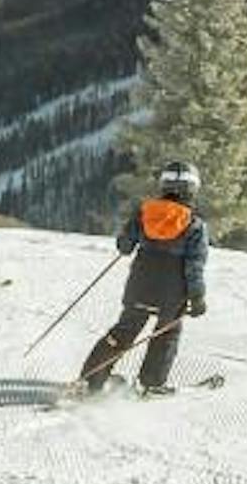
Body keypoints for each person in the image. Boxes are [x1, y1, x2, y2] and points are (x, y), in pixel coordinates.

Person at [75, 160, 210, 398]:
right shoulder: (194, 224)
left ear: (164, 185)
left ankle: (91, 380)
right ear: (192, 188)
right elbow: (194, 266)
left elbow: (124, 246)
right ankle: (151, 384)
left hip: (140, 284)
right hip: (172, 290)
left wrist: (134, 240)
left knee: (124, 330)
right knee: (167, 333)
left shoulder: (144, 212)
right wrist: (197, 296)